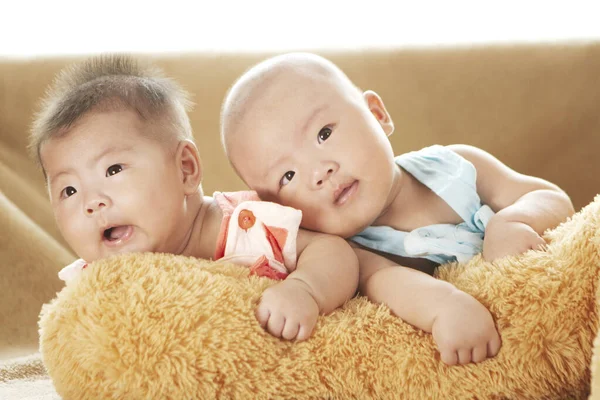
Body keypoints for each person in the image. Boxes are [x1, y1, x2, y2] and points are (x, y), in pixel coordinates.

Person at [220, 52, 575, 365]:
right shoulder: (348, 255)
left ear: (377, 115)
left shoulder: (456, 166)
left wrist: (513, 221)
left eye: (324, 134)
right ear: (278, 207)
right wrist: (446, 306)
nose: (319, 172)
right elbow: (390, 283)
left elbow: (552, 197)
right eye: (288, 175)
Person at [29, 54, 359, 342]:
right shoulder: (90, 284)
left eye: (113, 170)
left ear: (185, 169)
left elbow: (333, 250)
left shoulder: (250, 226)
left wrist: (306, 290)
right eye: (68, 190)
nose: (91, 202)